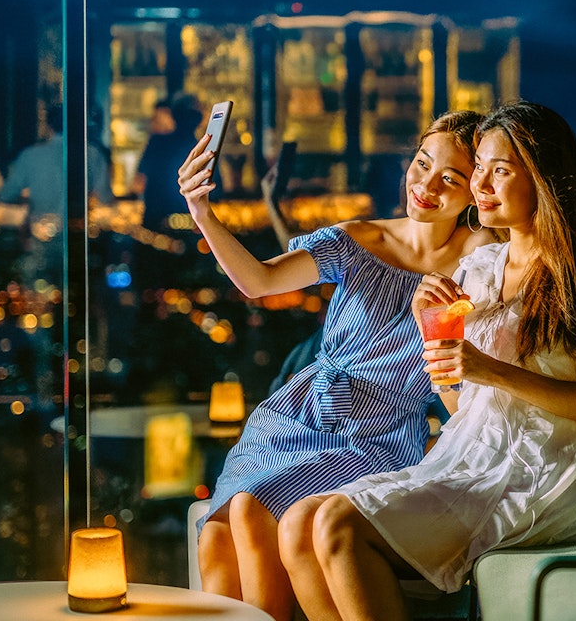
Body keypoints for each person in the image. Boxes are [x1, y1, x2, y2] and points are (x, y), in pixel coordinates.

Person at [277, 100, 576, 620]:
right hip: (470, 456)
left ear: (544, 180)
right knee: (299, 522)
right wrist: (428, 329)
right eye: (479, 168)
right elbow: (462, 406)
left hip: (545, 476)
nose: (481, 184)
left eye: (500, 170)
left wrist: (489, 368)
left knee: (337, 523)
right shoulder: (480, 267)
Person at [177, 110, 495, 620]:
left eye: (451, 178)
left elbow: (468, 374)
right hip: (295, 415)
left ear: (475, 192)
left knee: (248, 509)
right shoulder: (356, 240)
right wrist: (201, 211)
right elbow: (258, 281)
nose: (426, 185)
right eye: (421, 163)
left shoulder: (481, 263)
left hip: (377, 434)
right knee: (216, 538)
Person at [0, 103, 113, 221]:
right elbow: (105, 198)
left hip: (41, 232)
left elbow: (6, 195)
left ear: (49, 127)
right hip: (78, 232)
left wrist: (30, 200)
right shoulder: (92, 154)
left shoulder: (30, 155)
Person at [137, 92, 205, 232]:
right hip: (191, 226)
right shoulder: (203, 150)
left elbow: (138, 182)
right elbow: (217, 192)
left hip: (156, 224)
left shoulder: (157, 143)